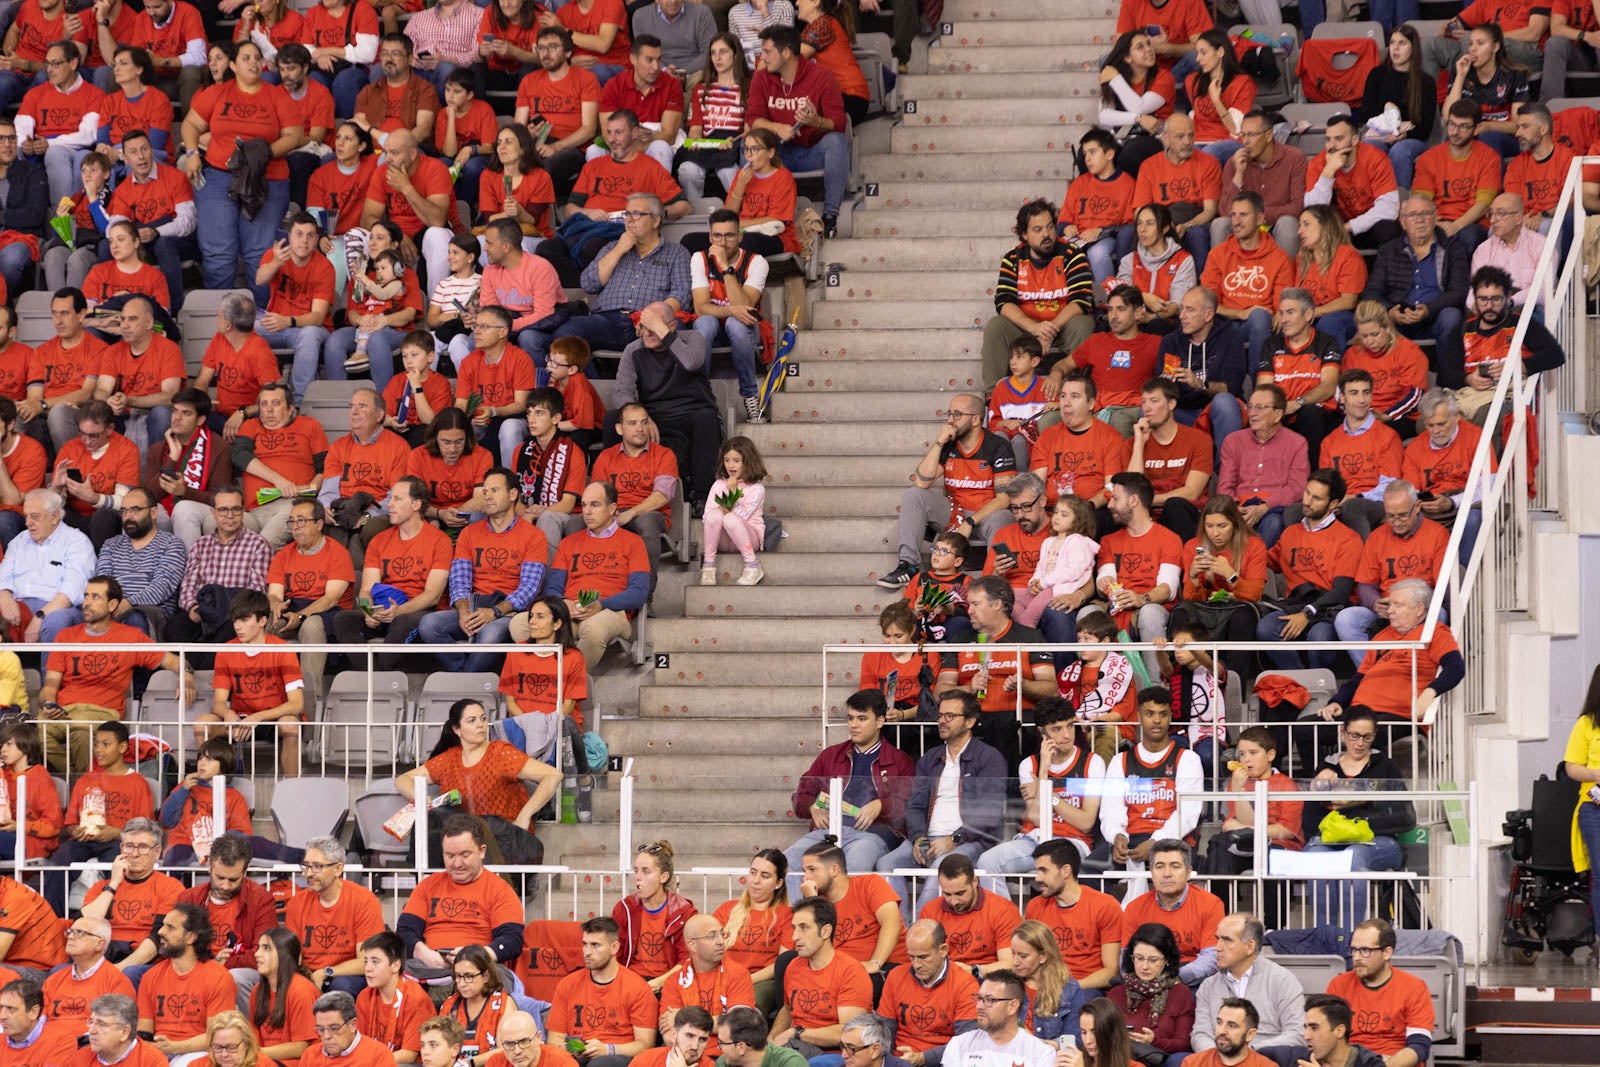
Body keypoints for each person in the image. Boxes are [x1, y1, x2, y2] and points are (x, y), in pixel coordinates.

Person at [181, 41, 300, 305]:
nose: (254, 62)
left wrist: (264, 152)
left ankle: (261, 318)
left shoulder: (277, 95)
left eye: (257, 57)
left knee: (260, 252)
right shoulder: (216, 93)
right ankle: (216, 317)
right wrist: (191, 154)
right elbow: (190, 125)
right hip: (218, 176)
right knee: (218, 253)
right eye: (246, 57)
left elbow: (295, 135)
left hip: (266, 179)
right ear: (232, 65)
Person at [39, 575, 191, 774]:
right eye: (86, 596)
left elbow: (174, 661)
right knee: (36, 731)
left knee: (82, 732)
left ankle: (81, 785)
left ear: (112, 605)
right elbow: (50, 683)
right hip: (64, 710)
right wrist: (49, 703)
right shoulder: (66, 636)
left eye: (95, 597)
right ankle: (79, 779)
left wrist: (186, 675)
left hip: (101, 711)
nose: (86, 602)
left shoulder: (129, 637)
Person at [874, 691, 1007, 916]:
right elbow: (915, 805)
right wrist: (918, 838)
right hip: (929, 839)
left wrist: (955, 838)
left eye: (950, 716)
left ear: (970, 721)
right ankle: (902, 931)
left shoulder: (988, 758)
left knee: (940, 869)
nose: (942, 720)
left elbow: (990, 811)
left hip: (971, 840)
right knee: (887, 864)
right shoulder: (931, 758)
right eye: (940, 715)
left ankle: (919, 934)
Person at [877, 395, 1015, 591]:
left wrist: (970, 522)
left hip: (986, 515)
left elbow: (1004, 498)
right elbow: (922, 481)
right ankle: (908, 566)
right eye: (949, 414)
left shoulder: (998, 446)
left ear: (975, 420)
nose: (951, 420)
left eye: (957, 415)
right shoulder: (949, 445)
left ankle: (992, 581)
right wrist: (939, 443)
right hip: (954, 511)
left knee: (1004, 516)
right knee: (913, 495)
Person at [414, 469, 547, 670]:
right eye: (485, 492)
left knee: (490, 634)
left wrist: (494, 612)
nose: (488, 497)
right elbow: (459, 581)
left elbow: (528, 590)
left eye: (494, 490)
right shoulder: (469, 533)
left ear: (512, 495)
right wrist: (463, 611)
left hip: (508, 612)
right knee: (428, 625)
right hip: (474, 606)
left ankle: (464, 685)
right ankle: (466, 677)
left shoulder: (533, 536)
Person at [1320, 579, 1463, 765]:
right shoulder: (1382, 636)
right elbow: (1359, 677)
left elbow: (1456, 667)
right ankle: (1318, 785)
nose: (1390, 610)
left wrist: (1430, 691)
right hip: (1360, 712)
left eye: (1398, 605)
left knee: (1361, 735)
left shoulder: (1435, 633)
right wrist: (1338, 701)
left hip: (1398, 716)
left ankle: (1360, 789)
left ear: (1419, 608)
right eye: (1389, 604)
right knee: (1306, 729)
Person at [396, 701, 559, 864]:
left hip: (506, 840)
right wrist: (422, 797)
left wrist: (524, 816)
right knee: (434, 819)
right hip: (466, 844)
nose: (480, 725)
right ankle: (427, 882)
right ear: (456, 729)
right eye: (472, 721)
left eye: (482, 719)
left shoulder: (500, 753)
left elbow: (552, 775)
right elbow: (403, 779)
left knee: (483, 825)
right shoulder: (448, 759)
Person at [1301, 708, 1416, 926]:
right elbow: (1310, 821)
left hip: (1378, 842)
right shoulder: (1326, 768)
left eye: (1367, 737)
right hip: (1330, 840)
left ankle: (1352, 938)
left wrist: (1361, 811)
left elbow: (1406, 817)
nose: (1360, 743)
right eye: (1354, 735)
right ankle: (1327, 937)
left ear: (1374, 737)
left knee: (1352, 856)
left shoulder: (1385, 766)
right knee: (1318, 858)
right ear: (1343, 733)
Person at [786, 688, 912, 885]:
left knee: (855, 866)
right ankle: (801, 916)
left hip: (873, 836)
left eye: (862, 719)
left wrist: (882, 805)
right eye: (850, 718)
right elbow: (801, 795)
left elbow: (910, 806)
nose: (853, 725)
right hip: (828, 833)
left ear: (880, 721)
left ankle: (844, 916)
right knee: (788, 863)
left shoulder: (900, 761)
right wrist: (813, 807)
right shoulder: (831, 755)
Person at [610, 302, 722, 506]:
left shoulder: (691, 339)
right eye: (643, 326)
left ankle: (702, 495)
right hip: (653, 416)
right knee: (613, 419)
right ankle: (614, 491)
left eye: (654, 327)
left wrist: (661, 330)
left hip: (692, 412)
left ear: (671, 327)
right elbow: (621, 392)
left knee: (706, 419)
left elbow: (691, 363)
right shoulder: (633, 350)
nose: (647, 333)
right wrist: (641, 416)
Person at [329, 476, 452, 656]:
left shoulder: (440, 541)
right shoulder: (379, 540)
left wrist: (399, 611)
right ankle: (370, 675)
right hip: (382, 612)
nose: (390, 505)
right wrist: (368, 611)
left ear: (416, 505)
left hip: (417, 611)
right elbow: (365, 591)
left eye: (397, 499)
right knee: (343, 619)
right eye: (391, 498)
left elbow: (432, 596)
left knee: (402, 623)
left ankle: (382, 675)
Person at [981, 199, 1095, 393]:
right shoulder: (1013, 258)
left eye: (1050, 227)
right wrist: (1034, 328)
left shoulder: (1072, 254)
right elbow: (1004, 302)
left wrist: (1049, 330)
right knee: (996, 327)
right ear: (1024, 234)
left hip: (1063, 326)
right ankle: (994, 399)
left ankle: (1077, 393)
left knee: (1084, 324)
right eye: (1038, 229)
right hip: (1026, 327)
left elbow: (1081, 300)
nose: (1046, 234)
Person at [746, 25, 847, 237]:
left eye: (767, 52)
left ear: (786, 52)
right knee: (748, 146)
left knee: (837, 141)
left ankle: (830, 216)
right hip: (779, 153)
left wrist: (815, 120)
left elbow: (838, 123)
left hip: (812, 151)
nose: (762, 58)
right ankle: (753, 213)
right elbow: (753, 119)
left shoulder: (821, 76)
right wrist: (777, 128)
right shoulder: (761, 77)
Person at [1257, 469, 1363, 670]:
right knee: (1266, 628)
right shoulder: (1290, 533)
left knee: (1319, 638)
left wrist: (1307, 614)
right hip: (1295, 603)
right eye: (1307, 493)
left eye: (1316, 498)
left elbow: (1341, 591)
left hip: (1328, 608)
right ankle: (1300, 682)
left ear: (1333, 504)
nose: (1306, 501)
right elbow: (1264, 561)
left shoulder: (1348, 539)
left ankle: (1319, 686)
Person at [1333, 481, 1452, 660]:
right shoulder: (1377, 537)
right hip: (1386, 608)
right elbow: (1366, 585)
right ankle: (1373, 675)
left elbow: (1444, 588)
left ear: (1417, 507)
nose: (1396, 522)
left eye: (1403, 516)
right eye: (1391, 516)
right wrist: (1375, 603)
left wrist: (1409, 604)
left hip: (1420, 607)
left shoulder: (1438, 535)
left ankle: (1418, 674)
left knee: (1439, 614)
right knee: (1346, 619)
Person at [397, 815, 527, 976]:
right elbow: (404, 931)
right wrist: (422, 952)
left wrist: (473, 957)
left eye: (465, 855)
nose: (457, 864)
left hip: (479, 967)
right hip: (428, 966)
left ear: (482, 851)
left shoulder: (500, 891)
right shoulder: (427, 886)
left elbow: (511, 940)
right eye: (450, 856)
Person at [196, 590, 307, 776]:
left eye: (244, 620)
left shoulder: (282, 649)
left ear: (262, 621)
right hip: (241, 719)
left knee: (290, 725)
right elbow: (219, 702)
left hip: (273, 718)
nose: (238, 627)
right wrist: (228, 713)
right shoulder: (227, 650)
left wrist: (259, 717)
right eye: (235, 621)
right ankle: (207, 785)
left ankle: (292, 787)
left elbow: (296, 704)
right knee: (202, 724)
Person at [546, 481, 650, 668]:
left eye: (595, 505)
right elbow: (552, 587)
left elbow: (639, 592)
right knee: (521, 623)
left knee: (593, 628)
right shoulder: (568, 543)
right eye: (584, 505)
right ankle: (547, 680)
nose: (587, 511)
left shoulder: (633, 542)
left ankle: (562, 685)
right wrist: (563, 603)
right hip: (571, 609)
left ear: (612, 509)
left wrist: (601, 604)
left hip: (610, 611)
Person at [1443, 266, 1565, 424]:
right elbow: (1445, 373)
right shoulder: (1462, 330)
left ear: (1508, 298)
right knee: (1430, 418)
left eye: (1495, 299)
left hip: (1510, 396)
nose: (1489, 306)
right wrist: (1468, 379)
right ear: (1475, 299)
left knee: (1486, 414)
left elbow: (1555, 355)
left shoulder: (1522, 324)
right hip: (1469, 393)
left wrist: (1517, 366)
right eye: (1483, 299)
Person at [264, 498, 350, 703]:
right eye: (292, 522)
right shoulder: (283, 555)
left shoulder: (337, 553)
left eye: (301, 521)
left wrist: (301, 615)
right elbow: (275, 593)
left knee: (310, 626)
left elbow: (331, 598)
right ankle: (265, 692)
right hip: (292, 606)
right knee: (262, 624)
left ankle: (309, 698)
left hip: (328, 610)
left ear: (319, 524)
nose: (295, 528)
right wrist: (275, 604)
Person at [1189, 916, 1304, 1066]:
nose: (1217, 947)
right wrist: (1221, 1058)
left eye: (1227, 940)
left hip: (1268, 1058)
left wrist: (1247, 1054)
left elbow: (1297, 1033)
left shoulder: (1282, 980)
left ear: (1249, 946)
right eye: (1217, 939)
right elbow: (1200, 1033)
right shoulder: (1208, 985)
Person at [1202, 192, 1295, 374]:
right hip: (1225, 323)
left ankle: (1259, 385)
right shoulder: (1218, 254)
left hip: (1260, 326)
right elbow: (1207, 303)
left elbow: (1281, 304)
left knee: (1260, 317)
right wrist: (1242, 313)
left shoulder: (1279, 258)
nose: (1236, 221)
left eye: (1243, 215)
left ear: (1260, 218)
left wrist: (1277, 312)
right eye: (1233, 215)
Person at [102, 129, 195, 310]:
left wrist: (156, 231)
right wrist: (129, 237)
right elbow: (113, 226)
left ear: (152, 151)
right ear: (126, 159)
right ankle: (111, 307)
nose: (141, 157)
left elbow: (188, 222)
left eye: (144, 149)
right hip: (141, 238)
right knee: (106, 246)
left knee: (164, 244)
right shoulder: (123, 190)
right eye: (133, 152)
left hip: (175, 239)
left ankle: (173, 311)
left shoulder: (175, 178)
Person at [689, 211, 769, 424]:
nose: (723, 242)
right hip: (714, 328)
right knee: (704, 323)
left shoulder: (756, 262)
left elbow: (745, 306)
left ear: (740, 236)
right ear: (710, 237)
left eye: (729, 236)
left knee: (736, 324)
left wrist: (726, 268)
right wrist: (731, 310)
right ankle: (701, 394)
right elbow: (700, 308)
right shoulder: (699, 258)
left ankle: (750, 395)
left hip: (745, 329)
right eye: (717, 236)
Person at [769, 896, 871, 1059]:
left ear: (825, 931)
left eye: (803, 928)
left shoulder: (851, 971)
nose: (795, 936)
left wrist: (796, 1033)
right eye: (794, 928)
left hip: (836, 1055)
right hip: (796, 1048)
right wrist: (771, 1039)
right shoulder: (793, 966)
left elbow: (848, 1034)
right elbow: (788, 1009)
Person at [546, 917, 657, 1067]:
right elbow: (554, 1040)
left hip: (618, 1056)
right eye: (585, 945)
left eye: (595, 945)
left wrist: (608, 1049)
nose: (587, 952)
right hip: (578, 1055)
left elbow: (645, 1045)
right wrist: (575, 1048)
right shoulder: (568, 984)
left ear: (614, 948)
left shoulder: (638, 988)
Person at [137, 903, 239, 1061]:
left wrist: (175, 1047)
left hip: (199, 1052)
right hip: (159, 1051)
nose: (160, 932)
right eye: (163, 925)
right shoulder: (150, 976)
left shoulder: (218, 977)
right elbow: (144, 1033)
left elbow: (217, 1037)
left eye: (170, 927)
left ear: (191, 937)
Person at [1323, 920, 1432, 1067]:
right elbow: (1326, 1040)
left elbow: (1419, 1046)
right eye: (1354, 950)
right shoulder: (1338, 985)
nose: (1357, 957)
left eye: (1365, 950)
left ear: (1387, 953)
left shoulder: (1415, 988)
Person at [1017, 838, 1120, 988]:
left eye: (1044, 871)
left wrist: (1069, 988)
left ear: (1066, 871)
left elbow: (1111, 972)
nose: (1037, 878)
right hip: (1045, 987)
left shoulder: (1105, 906)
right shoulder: (1035, 906)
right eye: (1037, 871)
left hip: (1087, 988)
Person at [256, 216, 336, 407]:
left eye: (310, 236)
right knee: (244, 328)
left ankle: (300, 403)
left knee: (309, 334)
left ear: (316, 240)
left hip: (308, 327)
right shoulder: (276, 255)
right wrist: (275, 263)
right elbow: (260, 280)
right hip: (276, 324)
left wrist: (288, 321)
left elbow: (318, 317)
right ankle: (258, 396)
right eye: (299, 234)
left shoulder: (324, 267)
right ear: (289, 236)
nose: (304, 241)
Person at [78, 819, 183, 964]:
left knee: (132, 973)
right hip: (100, 957)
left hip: (144, 961)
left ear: (157, 851)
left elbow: (160, 936)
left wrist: (120, 969)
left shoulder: (171, 887)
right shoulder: (101, 887)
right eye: (129, 846)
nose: (134, 854)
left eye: (143, 847)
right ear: (121, 849)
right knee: (59, 972)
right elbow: (83, 925)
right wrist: (113, 884)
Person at [1217, 385, 1309, 549]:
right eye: (1250, 406)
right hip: (1239, 508)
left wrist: (1264, 507)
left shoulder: (1297, 443)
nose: (1252, 413)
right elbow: (1225, 486)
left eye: (1260, 408)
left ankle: (1252, 569)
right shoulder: (1233, 441)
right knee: (1218, 522)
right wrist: (1235, 509)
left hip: (1274, 508)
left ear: (1277, 415)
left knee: (1273, 522)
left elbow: (1297, 488)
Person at [1119, 839, 1222, 985]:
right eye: (1159, 867)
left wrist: (1169, 978)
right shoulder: (1135, 908)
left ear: (1188, 873)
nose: (1167, 874)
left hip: (1191, 978)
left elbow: (1211, 958)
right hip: (1145, 975)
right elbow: (1126, 958)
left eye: (1175, 866)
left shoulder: (1211, 904)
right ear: (1151, 872)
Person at [0, 488, 95, 645]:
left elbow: (71, 591)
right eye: (26, 516)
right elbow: (3, 575)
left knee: (55, 621)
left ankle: (49, 670)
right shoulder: (19, 541)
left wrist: (40, 616)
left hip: (57, 607)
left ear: (55, 516)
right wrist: (4, 598)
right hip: (19, 606)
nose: (28, 523)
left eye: (35, 517)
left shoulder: (76, 541)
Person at [15, 40, 104, 208]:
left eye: (55, 64)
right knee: (12, 149)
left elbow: (88, 135)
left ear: (73, 63)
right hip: (38, 146)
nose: (49, 69)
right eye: (47, 63)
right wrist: (25, 143)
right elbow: (21, 125)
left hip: (74, 149)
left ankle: (61, 221)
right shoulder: (36, 93)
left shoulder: (94, 94)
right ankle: (22, 218)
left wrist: (49, 143)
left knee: (54, 153)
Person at [515, 27, 601, 201]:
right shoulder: (529, 81)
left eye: (553, 47)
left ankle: (541, 217)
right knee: (506, 159)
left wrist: (556, 147)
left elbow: (589, 129)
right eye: (541, 48)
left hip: (571, 147)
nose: (545, 53)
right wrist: (527, 133)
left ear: (568, 52)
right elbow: (517, 127)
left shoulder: (586, 79)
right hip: (536, 143)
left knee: (547, 165)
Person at [1255, 289, 1340, 463]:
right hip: (1281, 412)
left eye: (1290, 313)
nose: (1283, 319)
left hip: (1314, 413)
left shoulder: (1326, 342)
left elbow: (1329, 386)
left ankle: (1311, 479)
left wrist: (1298, 403)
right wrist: (1278, 408)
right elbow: (1264, 388)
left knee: (1310, 413)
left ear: (1308, 314)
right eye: (1281, 313)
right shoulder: (1271, 344)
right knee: (1260, 414)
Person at [795, 840, 903, 976]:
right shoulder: (817, 900)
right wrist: (812, 903)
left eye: (812, 870)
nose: (806, 878)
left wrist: (875, 963)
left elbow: (892, 924)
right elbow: (811, 945)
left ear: (834, 869)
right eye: (804, 871)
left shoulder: (870, 884)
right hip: (841, 970)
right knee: (786, 961)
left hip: (882, 967)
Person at [1130, 378, 1213, 543]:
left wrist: (1147, 500)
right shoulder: (1133, 444)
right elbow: (1132, 487)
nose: (1147, 408)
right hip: (1146, 515)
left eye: (1154, 401)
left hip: (1185, 515)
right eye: (1144, 401)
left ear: (1171, 404)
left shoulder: (1199, 439)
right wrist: (1139, 443)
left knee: (1175, 505)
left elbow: (1191, 492)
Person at [1410, 103, 1498, 259]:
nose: (1455, 132)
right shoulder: (1428, 158)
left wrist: (1456, 225)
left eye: (1463, 127)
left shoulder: (1489, 158)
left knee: (1468, 237)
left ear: (1476, 129)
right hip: (1436, 220)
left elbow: (1483, 205)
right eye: (1452, 124)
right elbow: (1421, 201)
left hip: (1472, 223)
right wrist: (1435, 224)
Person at [1213, 111, 1306, 256]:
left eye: (1252, 135)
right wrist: (1238, 175)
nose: (1246, 141)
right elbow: (1225, 212)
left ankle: (1285, 277)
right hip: (1244, 227)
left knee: (1288, 223)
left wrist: (1254, 216)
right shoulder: (1235, 163)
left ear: (1268, 135)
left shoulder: (1294, 158)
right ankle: (1223, 277)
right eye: (1243, 135)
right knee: (1219, 225)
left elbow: (1296, 208)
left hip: (1277, 225)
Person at [1304, 116, 1401, 252]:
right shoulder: (1318, 164)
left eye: (1338, 139)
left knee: (1389, 229)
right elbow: (1312, 213)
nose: (1331, 146)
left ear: (1354, 140)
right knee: (1312, 232)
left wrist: (1348, 227)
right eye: (1328, 139)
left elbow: (1389, 209)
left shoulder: (1375, 158)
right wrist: (1328, 173)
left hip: (1367, 226)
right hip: (1334, 231)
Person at [658, 919, 753, 1052]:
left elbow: (739, 1024)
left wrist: (684, 1017)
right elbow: (669, 1035)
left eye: (722, 934)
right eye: (712, 936)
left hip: (727, 1056)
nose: (721, 941)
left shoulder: (738, 974)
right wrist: (717, 1023)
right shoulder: (674, 981)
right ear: (692, 945)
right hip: (686, 1056)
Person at [1437, 25, 1529, 161]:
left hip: (1506, 137)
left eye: (1480, 43)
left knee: (1488, 138)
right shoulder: (1461, 71)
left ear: (1495, 47)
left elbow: (1518, 125)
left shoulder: (1515, 75)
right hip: (1470, 132)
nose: (1473, 49)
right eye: (1470, 44)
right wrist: (1460, 76)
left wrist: (1488, 126)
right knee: (1452, 140)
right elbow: (1447, 116)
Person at [713, 852, 790, 1014]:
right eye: (753, 872)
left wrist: (745, 980)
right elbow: (708, 950)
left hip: (762, 981)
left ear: (778, 883)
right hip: (723, 977)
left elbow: (782, 963)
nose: (755, 881)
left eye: (765, 876)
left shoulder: (787, 915)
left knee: (746, 1005)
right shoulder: (727, 909)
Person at [1357, 27, 1435, 189]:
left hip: (1412, 139)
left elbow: (1425, 127)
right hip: (1380, 135)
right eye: (1392, 42)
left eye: (1402, 43)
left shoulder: (1426, 82)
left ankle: (1400, 200)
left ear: (1413, 48)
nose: (1395, 48)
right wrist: (1390, 112)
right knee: (1370, 148)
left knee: (1400, 150)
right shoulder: (1377, 74)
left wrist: (1403, 133)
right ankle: (1373, 199)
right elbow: (1365, 113)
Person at [1106, 925, 1194, 1060]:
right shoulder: (1116, 993)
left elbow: (1184, 1044)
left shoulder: (1180, 993)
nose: (1145, 966)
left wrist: (1153, 1041)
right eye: (1139, 958)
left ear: (1167, 960)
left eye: (1153, 960)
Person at [1341, 305, 1429, 440]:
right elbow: (1344, 392)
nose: (1370, 341)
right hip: (1362, 412)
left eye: (1375, 334)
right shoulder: (1352, 354)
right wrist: (1359, 414)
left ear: (1387, 328)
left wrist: (1387, 415)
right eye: (1364, 336)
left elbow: (1415, 396)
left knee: (1378, 434)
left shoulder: (1409, 351)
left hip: (1401, 416)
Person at [915, 858, 1018, 971]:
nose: (954, 901)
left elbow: (1011, 965)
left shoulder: (1003, 910)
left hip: (989, 981)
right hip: (945, 979)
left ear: (975, 881)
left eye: (960, 893)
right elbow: (922, 960)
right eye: (947, 894)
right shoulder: (930, 911)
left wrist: (973, 971)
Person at [1097, 31, 1176, 174]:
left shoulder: (1164, 77)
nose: (1149, 49)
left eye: (1148, 44)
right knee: (1089, 156)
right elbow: (1104, 116)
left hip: (1157, 137)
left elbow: (1139, 107)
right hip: (1123, 135)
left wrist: (1115, 79)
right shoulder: (1118, 79)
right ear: (1127, 58)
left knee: (1131, 155)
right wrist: (1137, 119)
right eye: (1140, 47)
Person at [939, 971, 1055, 1067]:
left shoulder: (1041, 1053)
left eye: (989, 1000)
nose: (979, 1006)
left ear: (1012, 1006)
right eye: (979, 998)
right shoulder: (959, 1045)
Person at [43, 916, 135, 1031]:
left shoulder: (117, 981)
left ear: (99, 944)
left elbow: (115, 1032)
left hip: (91, 1045)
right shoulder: (54, 980)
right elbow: (38, 1025)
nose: (70, 937)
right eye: (70, 932)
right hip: (53, 1044)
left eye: (79, 933)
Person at [1294, 207, 1364, 353]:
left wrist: (1313, 313)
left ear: (1325, 226)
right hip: (1312, 315)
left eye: (1306, 224)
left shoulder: (1348, 256)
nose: (1300, 231)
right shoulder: (1302, 259)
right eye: (1300, 225)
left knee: (1329, 323)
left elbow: (1348, 301)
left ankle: (1331, 373)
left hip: (1344, 316)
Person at [1115, 204, 1195, 333]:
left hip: (1168, 322)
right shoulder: (1130, 259)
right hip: (1134, 319)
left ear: (1165, 228)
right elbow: (1120, 293)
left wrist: (1151, 317)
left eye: (1150, 223)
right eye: (1139, 223)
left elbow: (1176, 305)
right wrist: (1142, 297)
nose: (1142, 229)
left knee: (1156, 325)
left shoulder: (1183, 260)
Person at [1005, 921, 1088, 1043]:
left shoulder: (1070, 991)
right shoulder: (1005, 986)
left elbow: (1074, 1041)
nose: (1015, 962)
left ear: (1043, 956)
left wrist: (1034, 1043)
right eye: (1013, 954)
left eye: (1023, 956)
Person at [355, 931, 432, 1062]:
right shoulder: (364, 996)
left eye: (375, 962)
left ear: (395, 965)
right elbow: (360, 1044)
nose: (367, 968)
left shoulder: (415, 998)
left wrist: (371, 1062)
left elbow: (409, 1054)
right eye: (366, 961)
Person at [1502, 104, 1573, 235]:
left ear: (1543, 129)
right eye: (1518, 127)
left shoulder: (1567, 158)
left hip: (1554, 218)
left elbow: (1571, 200)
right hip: (1524, 220)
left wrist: (1543, 215)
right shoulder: (1516, 165)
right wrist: (1520, 219)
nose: (1517, 134)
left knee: (1547, 227)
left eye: (1525, 127)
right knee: (1496, 230)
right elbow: (1512, 201)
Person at [250, 930, 319, 1064]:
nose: (257, 954)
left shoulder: (301, 991)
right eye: (259, 947)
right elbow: (254, 1039)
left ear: (285, 954)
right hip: (264, 1061)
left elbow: (300, 1047)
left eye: (266, 948)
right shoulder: (257, 991)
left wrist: (257, 1053)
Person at [1470, 196, 1547, 313]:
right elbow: (1474, 287)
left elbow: (1544, 289)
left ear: (1518, 218)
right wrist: (1473, 304)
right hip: (1492, 308)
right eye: (1491, 214)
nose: (1492, 220)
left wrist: (1511, 301)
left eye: (1500, 214)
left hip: (1530, 310)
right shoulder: (1483, 250)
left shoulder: (1541, 245)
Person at [1186, 31, 1252, 165]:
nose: (1198, 58)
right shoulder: (1192, 81)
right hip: (1198, 140)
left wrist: (1217, 101)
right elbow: (1194, 117)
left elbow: (1235, 128)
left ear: (1220, 52)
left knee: (1208, 154)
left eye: (1203, 52)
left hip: (1230, 140)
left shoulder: (1243, 83)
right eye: (1197, 53)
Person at [0, 119, 47, 301]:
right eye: (1, 139)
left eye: (12, 139)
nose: (7, 145)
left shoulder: (32, 172)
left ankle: (5, 308)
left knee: (11, 259)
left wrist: (2, 217)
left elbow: (34, 215)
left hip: (25, 238)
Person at [301, 990, 400, 1067]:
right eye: (321, 1030)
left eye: (334, 1028)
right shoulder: (310, 1056)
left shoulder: (378, 1055)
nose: (326, 1036)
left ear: (353, 1025)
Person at [77, 994, 170, 1067]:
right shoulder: (80, 1058)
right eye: (91, 1022)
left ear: (124, 1032)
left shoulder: (152, 1061)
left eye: (101, 1024)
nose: (92, 1031)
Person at [1301, 996, 1385, 1067]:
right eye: (1306, 1028)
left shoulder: (1370, 1064)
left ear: (1339, 1031)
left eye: (1314, 1028)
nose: (1306, 1036)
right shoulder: (1301, 1059)